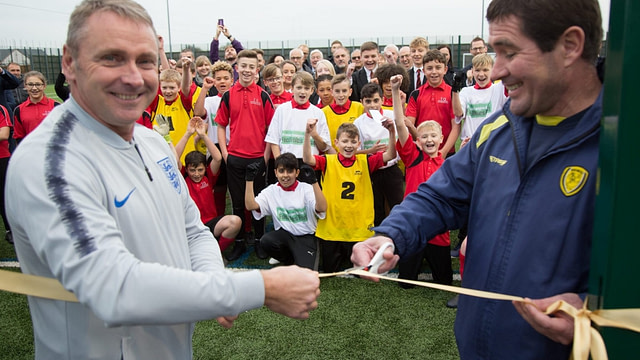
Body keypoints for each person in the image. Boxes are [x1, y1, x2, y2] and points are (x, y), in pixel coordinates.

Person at [5, 1, 320, 359]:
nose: (132, 76)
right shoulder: (50, 163)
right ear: (69, 63)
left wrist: (214, 282)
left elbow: (191, 229)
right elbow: (114, 288)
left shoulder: (153, 141)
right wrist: (256, 287)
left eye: (144, 61)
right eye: (111, 58)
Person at [351, 0, 603, 358]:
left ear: (570, 46)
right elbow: (439, 196)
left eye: (509, 52)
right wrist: (392, 234)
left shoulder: (619, 148)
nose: (497, 71)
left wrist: (592, 310)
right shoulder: (498, 129)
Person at [304, 119, 396, 273]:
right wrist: (308, 134)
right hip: (332, 228)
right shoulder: (328, 161)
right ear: (336, 142)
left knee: (361, 271)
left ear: (359, 143)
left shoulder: (365, 161)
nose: (349, 145)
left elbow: (391, 154)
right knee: (329, 271)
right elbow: (307, 159)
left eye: (353, 141)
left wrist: (392, 132)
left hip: (358, 229)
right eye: (345, 141)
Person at [388, 74, 452, 288]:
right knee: (406, 284)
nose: (429, 140)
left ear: (441, 138)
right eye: (424, 136)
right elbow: (399, 122)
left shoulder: (448, 165)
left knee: (444, 282)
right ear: (418, 140)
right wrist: (396, 91)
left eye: (433, 136)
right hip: (413, 228)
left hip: (437, 229)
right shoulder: (413, 157)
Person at [215, 49, 275, 261]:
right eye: (244, 66)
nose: (247, 70)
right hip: (235, 159)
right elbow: (221, 126)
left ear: (256, 70)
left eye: (251, 67)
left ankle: (259, 241)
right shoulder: (229, 95)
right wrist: (225, 153)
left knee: (257, 203)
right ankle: (239, 242)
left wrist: (265, 157)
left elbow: (272, 129)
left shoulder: (263, 95)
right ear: (237, 68)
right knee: (238, 203)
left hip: (258, 158)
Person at [245, 153, 327, 270]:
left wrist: (314, 182)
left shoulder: (306, 188)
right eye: (281, 171)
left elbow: (322, 208)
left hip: (306, 236)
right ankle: (288, 259)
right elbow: (250, 205)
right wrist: (249, 180)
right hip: (285, 235)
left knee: (306, 276)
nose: (285, 175)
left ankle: (301, 256)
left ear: (297, 173)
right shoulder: (271, 190)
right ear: (275, 173)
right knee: (266, 241)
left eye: (290, 171)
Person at [175, 117, 241, 252]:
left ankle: (216, 251)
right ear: (186, 169)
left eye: (200, 170)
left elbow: (217, 157)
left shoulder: (208, 177)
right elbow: (173, 158)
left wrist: (203, 135)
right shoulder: (182, 178)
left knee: (235, 222)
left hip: (210, 224)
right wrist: (188, 133)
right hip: (190, 227)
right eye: (192, 170)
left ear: (205, 168)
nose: (196, 174)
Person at [353, 83, 403, 226]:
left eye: (375, 100)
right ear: (362, 102)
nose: (372, 105)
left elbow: (403, 140)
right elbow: (355, 151)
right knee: (376, 208)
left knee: (397, 205)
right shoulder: (359, 123)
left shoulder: (392, 116)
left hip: (392, 168)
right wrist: (370, 152)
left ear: (382, 100)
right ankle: (377, 238)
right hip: (371, 171)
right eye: (368, 101)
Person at [192, 61, 234, 218]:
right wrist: (204, 89)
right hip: (215, 151)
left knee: (237, 190)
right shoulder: (210, 101)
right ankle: (217, 222)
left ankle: (243, 228)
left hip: (234, 149)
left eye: (225, 78)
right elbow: (197, 112)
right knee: (218, 189)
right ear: (214, 81)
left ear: (232, 80)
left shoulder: (236, 99)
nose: (222, 81)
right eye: (218, 78)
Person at [405, 50, 464, 157]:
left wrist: (444, 151)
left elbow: (456, 126)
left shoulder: (452, 94)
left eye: (438, 67)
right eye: (429, 68)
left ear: (445, 69)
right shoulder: (416, 94)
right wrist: (423, 146)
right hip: (421, 152)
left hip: (447, 153)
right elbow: (410, 125)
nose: (434, 72)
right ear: (423, 70)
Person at [265, 71, 331, 160]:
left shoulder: (318, 113)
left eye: (306, 88)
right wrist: (279, 162)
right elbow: (273, 140)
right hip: (286, 163)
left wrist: (314, 135)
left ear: (312, 90)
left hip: (310, 163)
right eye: (299, 88)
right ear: (292, 89)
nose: (302, 92)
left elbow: (324, 147)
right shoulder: (282, 110)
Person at [455, 53, 508, 147]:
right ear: (472, 71)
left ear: (493, 70)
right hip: (470, 145)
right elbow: (458, 113)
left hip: (492, 144)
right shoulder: (466, 92)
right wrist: (455, 89)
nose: (481, 74)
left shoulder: (499, 88)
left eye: (485, 70)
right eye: (477, 70)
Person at [13, 71, 60, 144]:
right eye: (30, 84)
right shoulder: (19, 110)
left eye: (38, 84)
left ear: (44, 86)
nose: (34, 88)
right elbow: (19, 136)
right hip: (30, 152)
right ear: (25, 86)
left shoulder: (56, 106)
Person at [322, 74, 364, 148]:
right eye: (337, 91)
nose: (341, 95)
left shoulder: (359, 107)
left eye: (344, 91)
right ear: (332, 92)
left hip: (356, 155)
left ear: (350, 92)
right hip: (332, 157)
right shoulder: (324, 112)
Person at [0, 104, 11, 244]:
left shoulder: (1, 109)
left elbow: (4, 134)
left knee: (4, 197)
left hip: (1, 158)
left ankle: (10, 230)